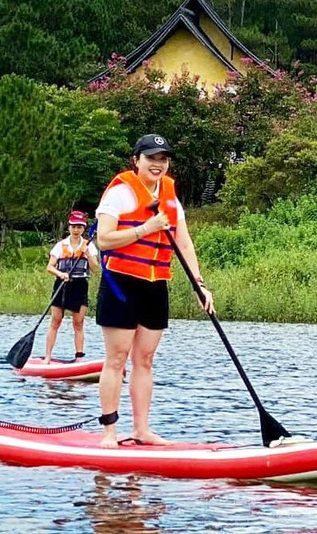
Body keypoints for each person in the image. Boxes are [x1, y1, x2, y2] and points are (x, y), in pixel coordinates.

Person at [94, 133, 215, 449]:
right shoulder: (120, 193)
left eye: (163, 159)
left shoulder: (172, 196)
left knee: (145, 359)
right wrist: (145, 229)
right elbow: (104, 240)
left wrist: (200, 284)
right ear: (137, 160)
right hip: (122, 282)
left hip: (156, 284)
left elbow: (184, 242)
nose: (157, 164)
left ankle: (141, 430)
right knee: (117, 357)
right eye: (151, 158)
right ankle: (109, 432)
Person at [42, 210, 100, 363]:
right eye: (73, 226)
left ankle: (79, 357)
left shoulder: (89, 246)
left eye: (79, 227)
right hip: (62, 285)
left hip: (80, 286)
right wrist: (61, 274)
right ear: (69, 227)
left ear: (83, 228)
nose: (76, 230)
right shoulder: (61, 246)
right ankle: (47, 356)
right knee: (56, 321)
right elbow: (50, 267)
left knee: (78, 323)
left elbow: (95, 268)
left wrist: (87, 253)